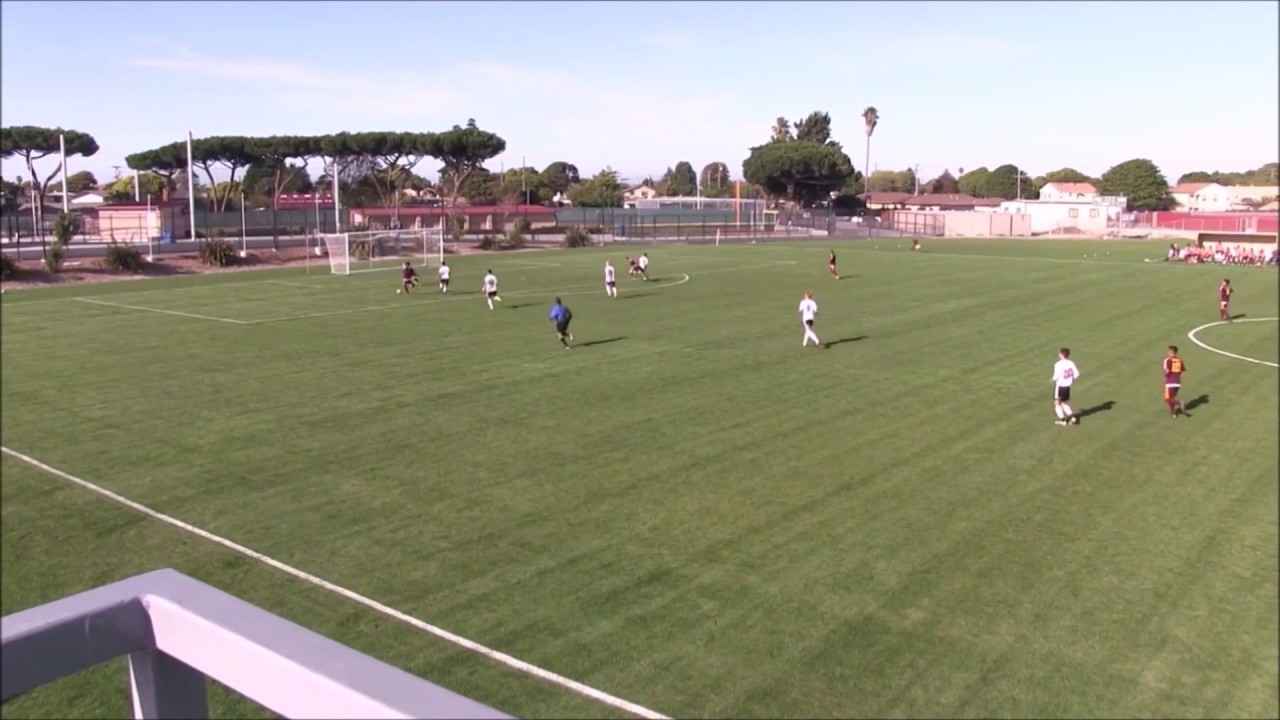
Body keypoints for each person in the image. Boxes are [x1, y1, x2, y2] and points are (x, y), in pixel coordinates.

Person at [1051, 348, 1080, 426]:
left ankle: (1063, 421)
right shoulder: (1071, 363)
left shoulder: (1058, 364)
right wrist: (1071, 380)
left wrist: (1052, 379)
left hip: (1060, 386)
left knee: (1057, 403)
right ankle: (1073, 418)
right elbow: (1076, 374)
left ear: (1061, 354)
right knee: (1063, 402)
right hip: (1067, 386)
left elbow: (1056, 376)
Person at [1163, 345, 1186, 418]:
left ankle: (1179, 404)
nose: (1167, 353)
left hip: (1170, 382)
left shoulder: (1168, 360)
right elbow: (1183, 371)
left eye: (1169, 351)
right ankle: (1173, 412)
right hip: (1177, 382)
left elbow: (1167, 371)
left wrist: (1166, 377)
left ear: (1171, 352)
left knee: (1167, 398)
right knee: (1171, 398)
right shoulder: (1180, 360)